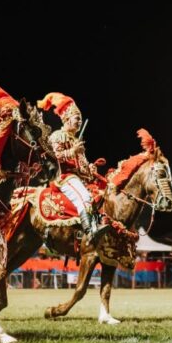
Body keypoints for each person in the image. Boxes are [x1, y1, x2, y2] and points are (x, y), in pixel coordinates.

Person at [37, 92, 109, 242]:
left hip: (80, 179)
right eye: (77, 118)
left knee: (101, 196)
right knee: (84, 197)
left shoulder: (76, 140)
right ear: (67, 119)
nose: (79, 122)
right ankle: (90, 231)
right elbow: (55, 157)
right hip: (65, 177)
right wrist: (73, 151)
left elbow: (81, 165)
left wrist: (90, 169)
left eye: (80, 119)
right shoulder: (58, 135)